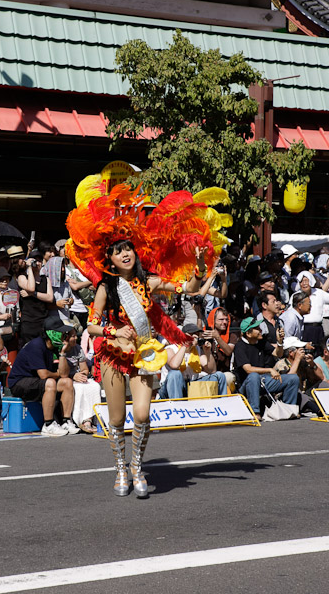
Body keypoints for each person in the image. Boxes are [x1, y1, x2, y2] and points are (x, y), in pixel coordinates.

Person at [67, 183, 231, 497]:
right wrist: (114, 331)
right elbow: (91, 326)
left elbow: (189, 289)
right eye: (118, 251)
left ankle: (137, 466)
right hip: (114, 355)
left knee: (142, 414)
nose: (125, 254)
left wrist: (198, 265)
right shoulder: (106, 288)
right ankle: (119, 468)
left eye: (128, 249)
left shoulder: (148, 280)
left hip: (145, 355)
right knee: (116, 418)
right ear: (111, 259)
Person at [7, 315, 78, 436]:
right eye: (61, 332)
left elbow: (64, 374)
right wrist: (57, 374)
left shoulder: (56, 346)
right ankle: (48, 425)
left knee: (67, 382)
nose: (63, 335)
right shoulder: (36, 345)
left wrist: (62, 353)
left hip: (37, 382)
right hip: (19, 383)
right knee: (50, 382)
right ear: (52, 333)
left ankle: (66, 421)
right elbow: (44, 375)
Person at [233, 317, 299, 420]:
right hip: (246, 384)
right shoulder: (240, 347)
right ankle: (255, 411)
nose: (261, 331)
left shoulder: (261, 342)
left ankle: (289, 410)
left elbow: (278, 354)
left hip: (263, 380)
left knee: (293, 379)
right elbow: (248, 369)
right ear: (248, 334)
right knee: (254, 376)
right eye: (257, 328)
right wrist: (269, 370)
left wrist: (280, 342)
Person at [159, 322, 227, 399]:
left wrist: (208, 352)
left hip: (191, 386)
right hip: (169, 389)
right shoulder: (170, 349)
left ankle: (222, 404)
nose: (195, 336)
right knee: (175, 374)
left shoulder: (197, 349)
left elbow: (212, 370)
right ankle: (177, 407)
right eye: (192, 334)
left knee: (219, 376)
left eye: (197, 334)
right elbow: (174, 365)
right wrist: (185, 345)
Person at [17, 250, 54, 346]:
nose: (37, 263)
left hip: (42, 320)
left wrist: (32, 294)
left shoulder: (45, 279)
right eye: (34, 260)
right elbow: (31, 287)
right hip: (29, 322)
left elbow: (50, 298)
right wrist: (29, 268)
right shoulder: (22, 277)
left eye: (39, 261)